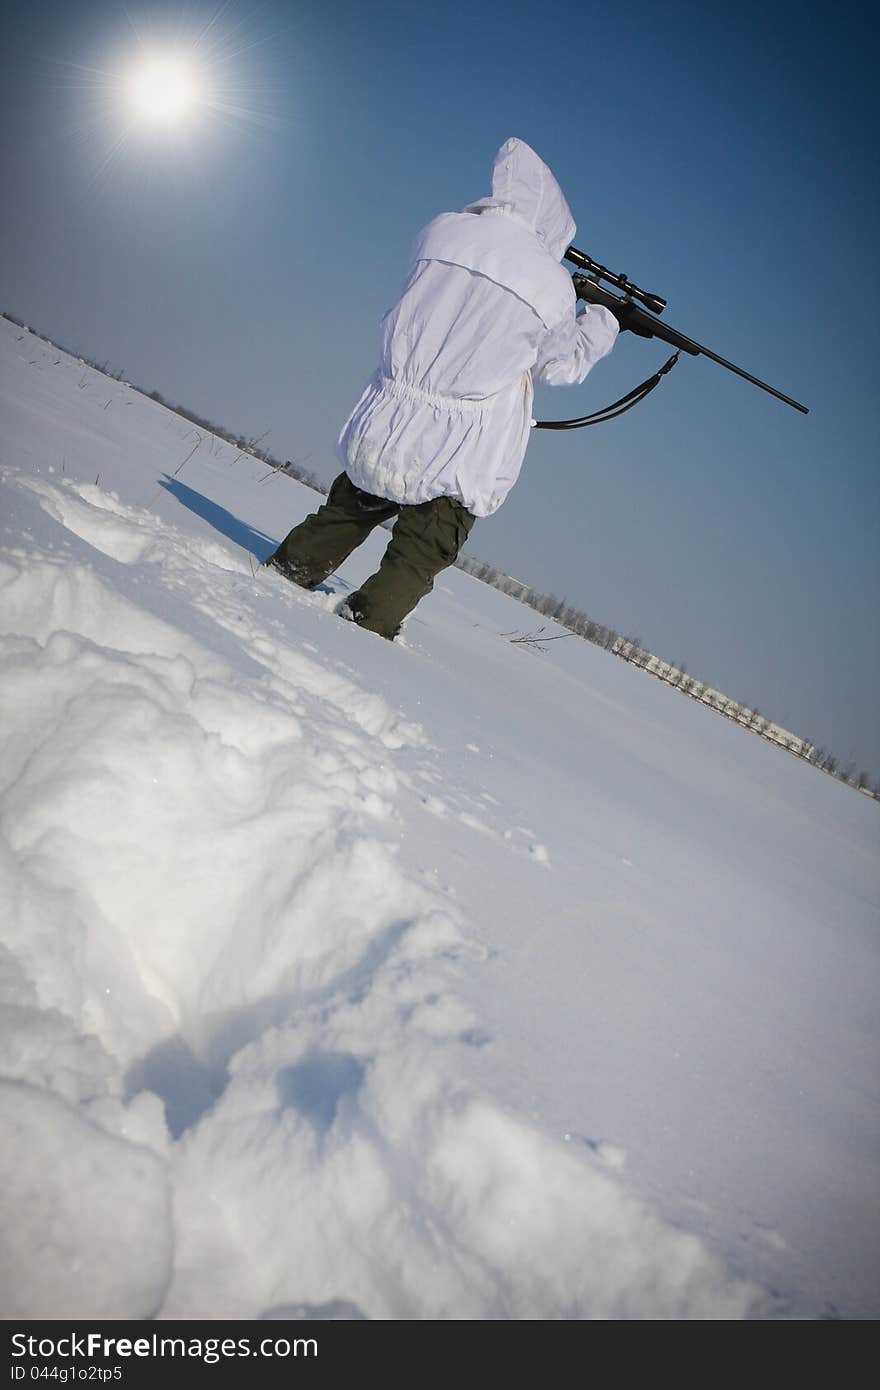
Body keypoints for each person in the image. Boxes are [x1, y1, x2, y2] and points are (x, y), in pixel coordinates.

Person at [267, 137, 623, 639]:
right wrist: (603, 323)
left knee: (347, 510)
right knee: (421, 549)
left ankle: (287, 572)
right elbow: (559, 365)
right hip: (462, 445)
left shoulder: (440, 232)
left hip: (390, 417)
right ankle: (363, 630)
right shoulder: (548, 282)